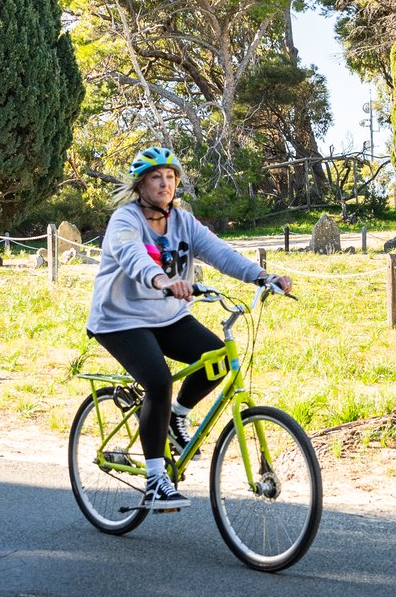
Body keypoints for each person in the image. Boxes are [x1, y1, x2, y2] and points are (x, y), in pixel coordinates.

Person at [86, 146, 292, 511]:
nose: (164, 184)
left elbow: (219, 252)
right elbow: (133, 257)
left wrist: (262, 276)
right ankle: (154, 481)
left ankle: (176, 417)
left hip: (167, 314)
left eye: (170, 177)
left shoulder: (183, 222)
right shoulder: (124, 220)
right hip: (120, 319)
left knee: (216, 358)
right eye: (155, 177)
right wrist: (163, 280)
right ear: (140, 185)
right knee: (158, 380)